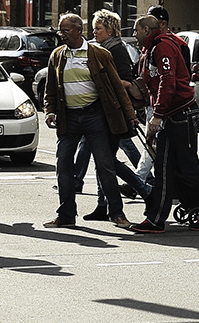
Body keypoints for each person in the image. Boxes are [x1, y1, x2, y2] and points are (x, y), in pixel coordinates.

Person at [41, 13, 138, 229]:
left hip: (95, 116)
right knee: (63, 165)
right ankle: (66, 215)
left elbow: (116, 86)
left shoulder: (99, 54)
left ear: (78, 30)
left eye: (65, 30)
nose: (62, 34)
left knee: (105, 165)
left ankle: (117, 214)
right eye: (60, 30)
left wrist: (130, 115)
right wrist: (49, 111)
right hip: (69, 117)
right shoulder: (57, 56)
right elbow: (50, 90)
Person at [128, 15, 199, 233]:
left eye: (136, 30)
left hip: (180, 114)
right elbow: (153, 81)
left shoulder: (162, 47)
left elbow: (167, 81)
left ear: (145, 29)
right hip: (174, 115)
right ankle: (156, 219)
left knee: (187, 168)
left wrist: (158, 114)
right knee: (164, 168)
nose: (134, 35)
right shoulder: (151, 48)